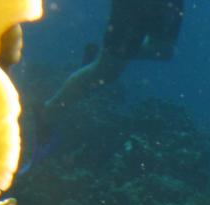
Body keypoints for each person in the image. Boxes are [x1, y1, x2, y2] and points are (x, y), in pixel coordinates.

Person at [40, 0, 184, 129]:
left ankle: (108, 56)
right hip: (135, 6)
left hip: (166, 4)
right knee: (107, 72)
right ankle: (48, 114)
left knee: (165, 51)